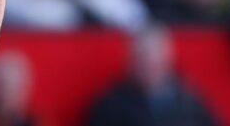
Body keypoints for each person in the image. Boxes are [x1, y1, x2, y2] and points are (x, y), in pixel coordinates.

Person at [84, 26, 220, 126]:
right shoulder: (111, 105)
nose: (149, 69)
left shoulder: (189, 101)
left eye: (155, 62)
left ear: (167, 61)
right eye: (143, 61)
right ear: (131, 62)